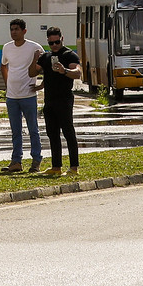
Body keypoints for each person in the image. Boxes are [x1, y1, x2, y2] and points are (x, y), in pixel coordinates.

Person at [0, 19, 46, 174]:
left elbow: (47, 67)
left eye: (17, 29)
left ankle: (36, 160)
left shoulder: (35, 48)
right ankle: (16, 161)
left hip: (28, 95)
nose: (14, 32)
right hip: (12, 96)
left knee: (33, 128)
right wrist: (8, 84)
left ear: (24, 31)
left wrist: (41, 85)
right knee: (15, 130)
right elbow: (3, 65)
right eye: (11, 29)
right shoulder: (7, 47)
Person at [38, 26, 81, 177]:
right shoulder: (46, 56)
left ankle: (74, 167)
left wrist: (65, 71)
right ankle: (56, 166)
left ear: (62, 39)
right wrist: (35, 58)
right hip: (49, 100)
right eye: (51, 43)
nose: (54, 45)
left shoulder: (69, 55)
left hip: (64, 99)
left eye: (57, 42)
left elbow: (78, 73)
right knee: (52, 133)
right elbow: (32, 71)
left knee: (68, 132)